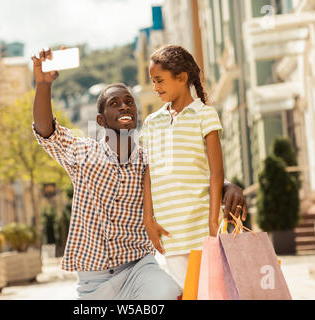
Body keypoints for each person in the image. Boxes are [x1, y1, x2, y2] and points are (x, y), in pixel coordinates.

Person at [31, 47, 246, 300]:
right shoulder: (83, 154)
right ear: (100, 121)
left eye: (129, 102)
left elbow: (188, 171)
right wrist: (43, 85)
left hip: (139, 269)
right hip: (94, 281)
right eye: (115, 103)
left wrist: (227, 186)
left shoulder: (149, 157)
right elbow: (47, 131)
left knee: (172, 294)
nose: (124, 106)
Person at [141, 45, 247, 290]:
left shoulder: (204, 114)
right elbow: (148, 173)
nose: (155, 88)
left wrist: (213, 222)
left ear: (181, 77)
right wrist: (149, 219)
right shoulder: (151, 122)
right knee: (187, 293)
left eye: (159, 81)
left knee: (211, 292)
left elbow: (216, 172)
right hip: (169, 228)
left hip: (201, 224)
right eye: (152, 81)